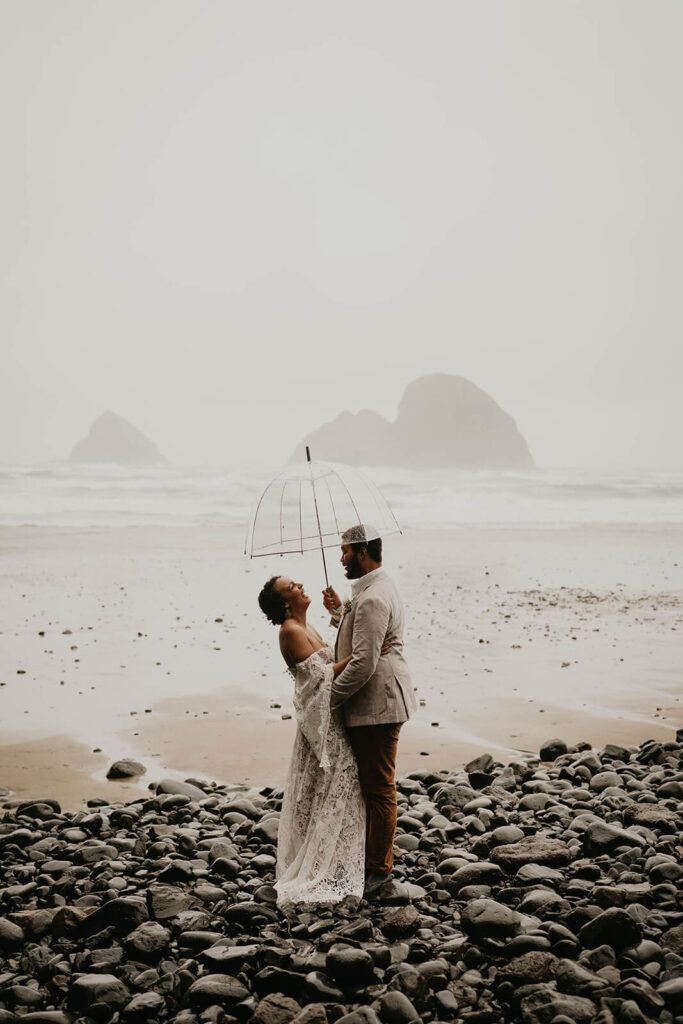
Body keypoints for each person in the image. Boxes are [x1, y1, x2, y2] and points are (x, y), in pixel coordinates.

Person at [258, 574, 374, 907]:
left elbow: (334, 651)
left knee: (337, 790)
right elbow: (317, 680)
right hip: (322, 728)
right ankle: (324, 865)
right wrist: (361, 656)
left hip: (333, 720)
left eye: (296, 583)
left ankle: (339, 858)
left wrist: (340, 611)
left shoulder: (307, 627)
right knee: (334, 789)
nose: (299, 587)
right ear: (284, 603)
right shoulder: (290, 632)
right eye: (291, 587)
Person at [323, 524, 416, 897]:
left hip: (379, 704)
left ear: (362, 552)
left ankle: (378, 872)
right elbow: (361, 635)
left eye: (345, 550)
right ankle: (371, 862)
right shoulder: (372, 590)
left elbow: (363, 662)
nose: (341, 557)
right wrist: (337, 613)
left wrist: (329, 698)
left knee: (379, 789)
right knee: (372, 785)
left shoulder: (374, 596)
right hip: (376, 702)